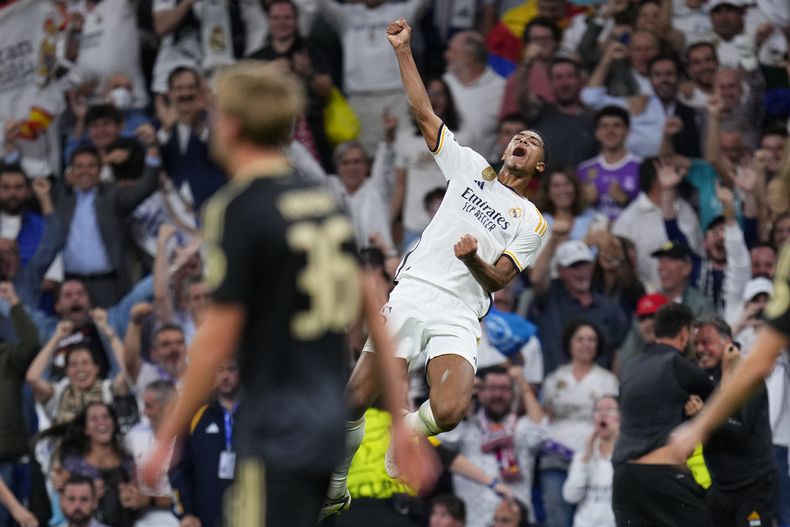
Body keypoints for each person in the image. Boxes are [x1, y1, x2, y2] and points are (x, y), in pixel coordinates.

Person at [142, 61, 428, 527]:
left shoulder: (237, 207)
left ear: (232, 124)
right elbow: (377, 306)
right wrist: (400, 418)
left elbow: (216, 339)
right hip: (325, 421)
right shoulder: (325, 197)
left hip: (276, 427)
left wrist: (166, 436)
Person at [323, 17, 549, 517]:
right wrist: (403, 49)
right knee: (353, 399)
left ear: (537, 167)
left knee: (448, 412)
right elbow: (423, 111)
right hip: (415, 290)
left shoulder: (531, 219)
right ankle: (337, 487)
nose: (522, 140)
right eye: (519, 135)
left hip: (462, 311)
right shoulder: (468, 167)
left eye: (533, 142)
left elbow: (502, 278)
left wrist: (473, 259)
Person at [612, 303, 715, 526]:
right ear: (685, 333)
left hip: (623, 477)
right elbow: (720, 401)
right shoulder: (678, 365)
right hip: (661, 476)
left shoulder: (630, 367)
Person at [689, 315, 777, 526]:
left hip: (753, 486)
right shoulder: (700, 379)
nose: (700, 349)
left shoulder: (747, 375)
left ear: (727, 342)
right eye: (696, 344)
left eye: (706, 341)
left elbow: (738, 432)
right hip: (719, 488)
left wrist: (703, 417)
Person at [438, 366, 545, 527]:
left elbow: (542, 431)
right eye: (491, 388)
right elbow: (441, 440)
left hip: (515, 520)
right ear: (479, 393)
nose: (498, 394)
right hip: (474, 520)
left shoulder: (520, 427)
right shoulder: (466, 428)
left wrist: (523, 385)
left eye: (504, 389)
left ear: (512, 394)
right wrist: (464, 392)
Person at [539, 320, 619, 527]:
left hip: (592, 458)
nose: (586, 344)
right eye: (580, 339)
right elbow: (545, 417)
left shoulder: (608, 381)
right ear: (569, 343)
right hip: (556, 456)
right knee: (556, 518)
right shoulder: (554, 379)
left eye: (591, 340)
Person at [169, 359, 241, 527]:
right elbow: (178, 468)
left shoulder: (257, 412)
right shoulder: (196, 414)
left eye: (231, 369)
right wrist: (186, 513)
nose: (225, 376)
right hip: (206, 519)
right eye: (219, 370)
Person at [124, 381, 179, 527]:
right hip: (140, 521)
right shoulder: (136, 434)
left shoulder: (187, 441)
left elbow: (194, 493)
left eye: (149, 406)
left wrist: (150, 499)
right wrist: (129, 488)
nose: (144, 412)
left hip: (175, 520)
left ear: (168, 407)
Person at [562, 395, 620, 527]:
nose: (603, 414)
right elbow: (570, 496)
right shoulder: (583, 456)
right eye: (598, 410)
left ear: (622, 417)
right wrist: (585, 459)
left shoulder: (630, 457)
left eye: (610, 410)